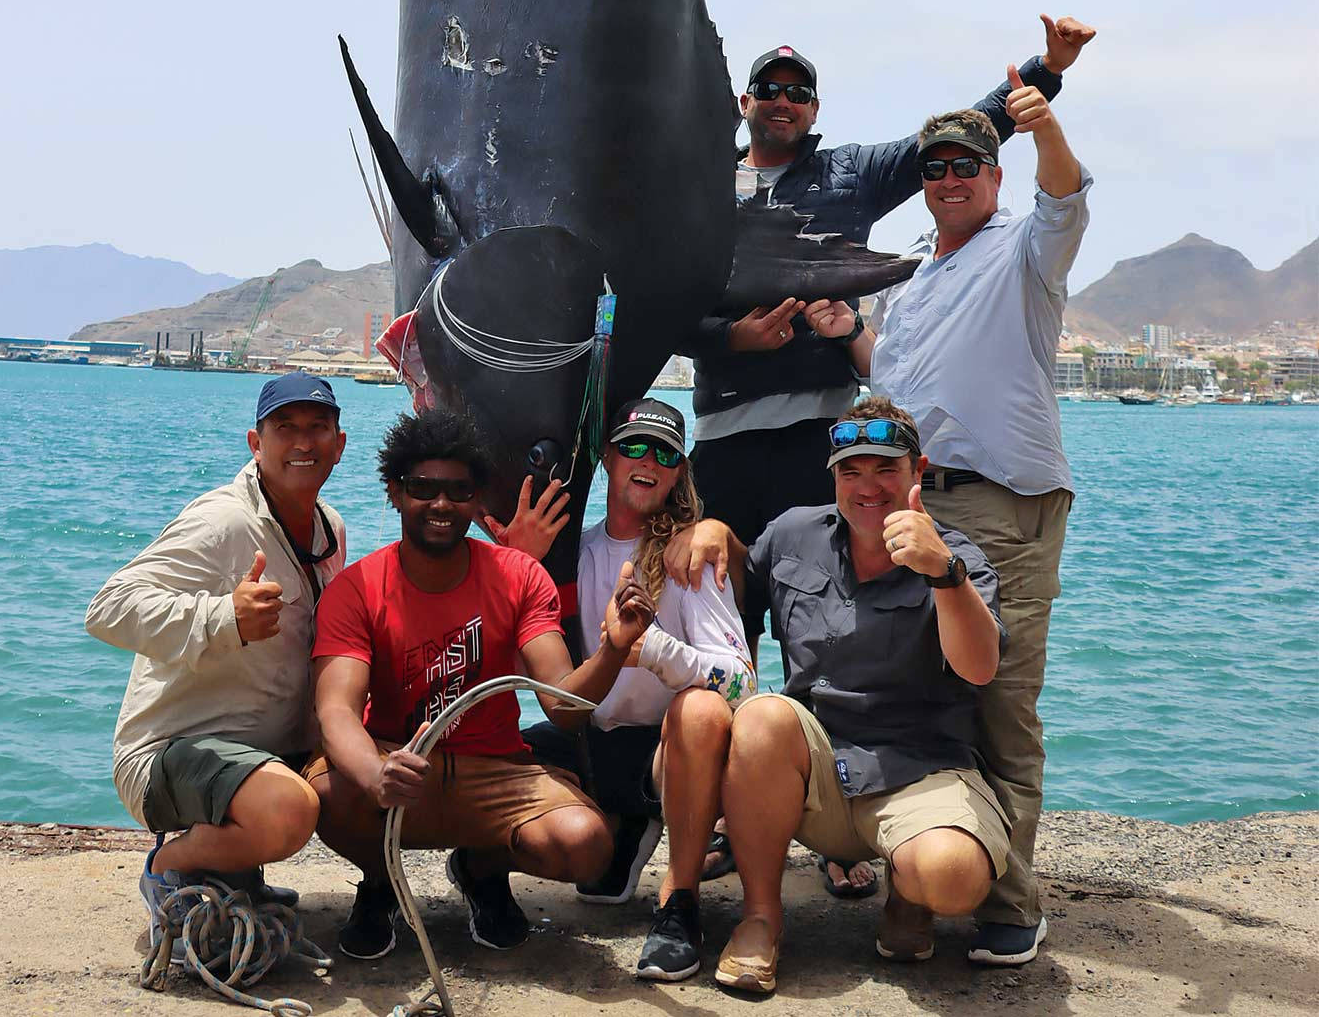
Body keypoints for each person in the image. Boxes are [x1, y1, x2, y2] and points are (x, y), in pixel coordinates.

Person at [824, 73, 1090, 966]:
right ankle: (927, 872)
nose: (948, 178)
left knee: (1002, 697)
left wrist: (1045, 124)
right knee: (934, 693)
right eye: (935, 166)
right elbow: (898, 384)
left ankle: (1013, 899)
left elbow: (1067, 198)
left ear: (994, 175)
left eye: (967, 164)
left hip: (1003, 503)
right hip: (919, 504)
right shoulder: (917, 277)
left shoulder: (1023, 252)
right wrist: (843, 332)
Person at [682, 17, 1095, 583]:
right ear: (744, 102)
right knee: (717, 607)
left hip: (817, 440)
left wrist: (1045, 72)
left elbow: (947, 143)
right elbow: (662, 311)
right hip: (721, 437)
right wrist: (731, 338)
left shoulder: (851, 173)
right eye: (771, 91)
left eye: (798, 93)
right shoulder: (695, 190)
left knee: (817, 608)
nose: (784, 101)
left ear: (815, 109)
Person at [305, 407, 657, 961]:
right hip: (399, 764)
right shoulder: (357, 589)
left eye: (458, 490)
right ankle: (381, 881)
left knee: (588, 846)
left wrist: (614, 648)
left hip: (495, 770)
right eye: (423, 488)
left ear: (476, 500)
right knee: (324, 794)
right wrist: (377, 774)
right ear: (395, 492)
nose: (441, 504)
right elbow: (336, 713)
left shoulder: (518, 577)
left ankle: (482, 868)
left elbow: (563, 706)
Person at [702, 397, 1011, 994]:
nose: (867, 487)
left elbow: (978, 669)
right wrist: (716, 530)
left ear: (917, 471)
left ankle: (908, 895)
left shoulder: (960, 557)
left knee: (951, 877)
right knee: (764, 717)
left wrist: (941, 573)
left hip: (918, 772)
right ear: (833, 477)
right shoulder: (794, 534)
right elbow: (737, 586)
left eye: (885, 469)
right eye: (851, 471)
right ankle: (760, 919)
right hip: (814, 774)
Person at [84, 372, 349, 942]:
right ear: (256, 444)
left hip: (257, 751)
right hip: (170, 755)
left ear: (340, 443)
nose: (303, 443)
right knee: (289, 811)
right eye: (285, 429)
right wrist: (222, 617)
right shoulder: (223, 520)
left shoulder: (330, 528)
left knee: (360, 772)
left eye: (317, 428)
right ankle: (170, 868)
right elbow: (108, 608)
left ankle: (233, 868)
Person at [511, 399, 756, 983]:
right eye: (634, 447)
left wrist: (654, 649)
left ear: (678, 472)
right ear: (608, 457)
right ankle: (599, 832)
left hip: (667, 754)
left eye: (665, 453)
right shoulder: (575, 549)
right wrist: (510, 560)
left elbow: (742, 681)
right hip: (594, 741)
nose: (648, 461)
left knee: (700, 712)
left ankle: (680, 904)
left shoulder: (687, 556)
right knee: (498, 748)